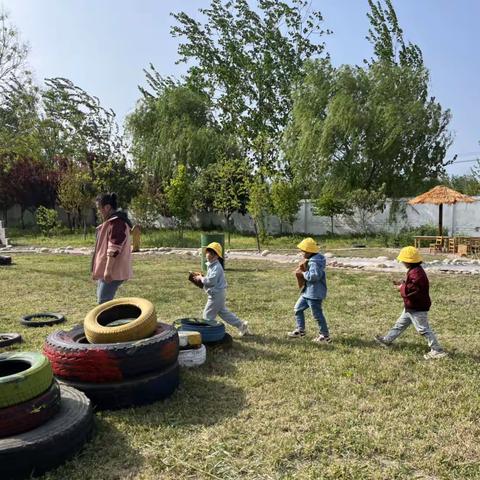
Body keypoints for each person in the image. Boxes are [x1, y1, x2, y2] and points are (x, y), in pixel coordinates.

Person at [374, 246, 447, 360]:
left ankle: (437, 350)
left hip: (417, 307)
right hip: (411, 306)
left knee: (423, 329)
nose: (402, 262)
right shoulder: (415, 270)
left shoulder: (417, 274)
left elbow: (411, 290)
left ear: (408, 261)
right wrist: (403, 283)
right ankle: (387, 340)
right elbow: (410, 285)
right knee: (399, 324)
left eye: (403, 260)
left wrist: (401, 287)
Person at [192, 242, 251, 337]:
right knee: (224, 313)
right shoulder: (212, 265)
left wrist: (201, 279)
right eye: (208, 252)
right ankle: (241, 325)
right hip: (218, 294)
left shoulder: (216, 267)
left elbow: (211, 281)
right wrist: (202, 277)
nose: (208, 255)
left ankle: (209, 335)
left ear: (217, 256)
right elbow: (210, 279)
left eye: (212, 253)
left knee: (207, 316)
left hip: (216, 295)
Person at [92, 192, 133, 304]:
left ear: (107, 207)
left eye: (99, 208)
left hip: (113, 270)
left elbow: (114, 248)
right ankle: (107, 320)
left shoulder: (117, 223)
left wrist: (108, 270)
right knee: (102, 299)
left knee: (104, 301)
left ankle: (108, 321)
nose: (98, 212)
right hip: (107, 269)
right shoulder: (111, 222)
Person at [288, 237, 331, 344]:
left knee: (317, 315)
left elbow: (314, 276)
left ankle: (324, 336)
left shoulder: (315, 262)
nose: (301, 253)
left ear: (309, 252)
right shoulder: (311, 259)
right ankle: (300, 330)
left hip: (314, 294)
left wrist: (303, 273)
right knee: (297, 309)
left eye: (303, 251)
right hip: (307, 292)